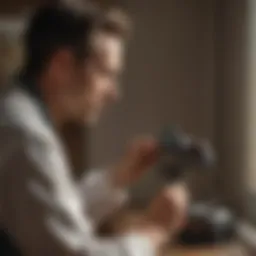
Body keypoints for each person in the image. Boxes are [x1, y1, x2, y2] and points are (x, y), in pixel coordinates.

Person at [0, 1, 189, 255]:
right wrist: (152, 232)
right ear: (62, 66)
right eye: (106, 74)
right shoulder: (26, 136)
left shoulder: (20, 117)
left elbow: (52, 217)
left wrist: (118, 177)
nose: (115, 93)